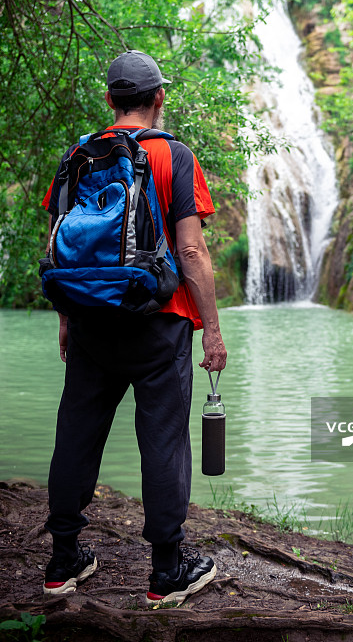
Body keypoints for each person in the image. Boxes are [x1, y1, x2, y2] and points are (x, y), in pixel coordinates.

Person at [41, 49, 227, 606]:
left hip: (92, 320)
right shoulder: (174, 156)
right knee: (163, 443)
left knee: (75, 434)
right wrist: (213, 330)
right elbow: (190, 250)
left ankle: (62, 559)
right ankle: (167, 571)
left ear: (109, 101)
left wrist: (67, 319)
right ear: (159, 98)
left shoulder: (78, 154)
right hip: (159, 324)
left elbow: (59, 246)